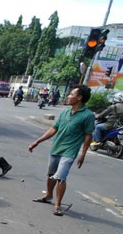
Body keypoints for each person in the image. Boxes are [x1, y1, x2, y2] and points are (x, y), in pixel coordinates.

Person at [28, 84, 96, 217]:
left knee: (61, 177)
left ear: (79, 98)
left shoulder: (88, 116)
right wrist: (37, 141)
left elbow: (88, 135)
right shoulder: (65, 111)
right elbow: (54, 129)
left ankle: (57, 204)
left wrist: (83, 154)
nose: (69, 96)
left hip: (69, 151)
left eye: (72, 94)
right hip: (56, 148)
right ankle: (48, 195)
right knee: (51, 175)